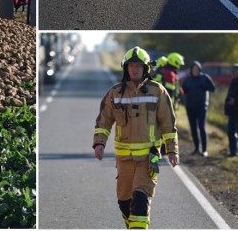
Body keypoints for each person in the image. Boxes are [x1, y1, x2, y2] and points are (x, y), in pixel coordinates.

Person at [93, 46, 179, 229]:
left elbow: (168, 124)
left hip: (149, 156)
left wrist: (172, 150)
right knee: (125, 202)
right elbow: (104, 120)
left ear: (146, 68)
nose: (135, 69)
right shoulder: (115, 93)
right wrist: (99, 144)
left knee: (140, 200)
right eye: (131, 65)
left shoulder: (158, 92)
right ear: (125, 68)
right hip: (124, 159)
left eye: (139, 66)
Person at [182, 61, 216, 157]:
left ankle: (204, 150)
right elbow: (183, 90)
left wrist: (205, 86)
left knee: (201, 127)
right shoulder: (188, 79)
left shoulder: (204, 78)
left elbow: (213, 88)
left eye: (197, 69)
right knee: (193, 128)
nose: (195, 71)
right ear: (191, 70)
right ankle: (196, 148)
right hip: (190, 107)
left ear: (200, 69)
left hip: (201, 106)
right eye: (193, 69)